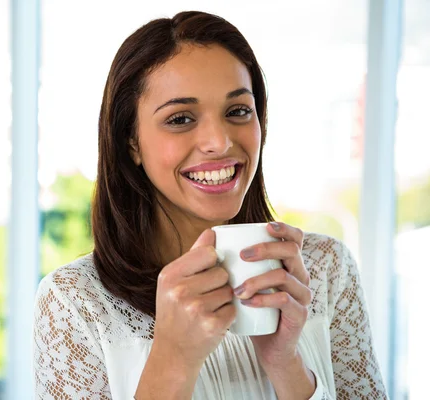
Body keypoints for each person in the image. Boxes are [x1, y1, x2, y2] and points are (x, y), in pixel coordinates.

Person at [33, 11, 387, 400]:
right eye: (180, 118)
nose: (219, 141)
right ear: (130, 141)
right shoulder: (75, 301)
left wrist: (287, 362)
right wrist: (173, 360)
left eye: (238, 111)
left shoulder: (325, 269)